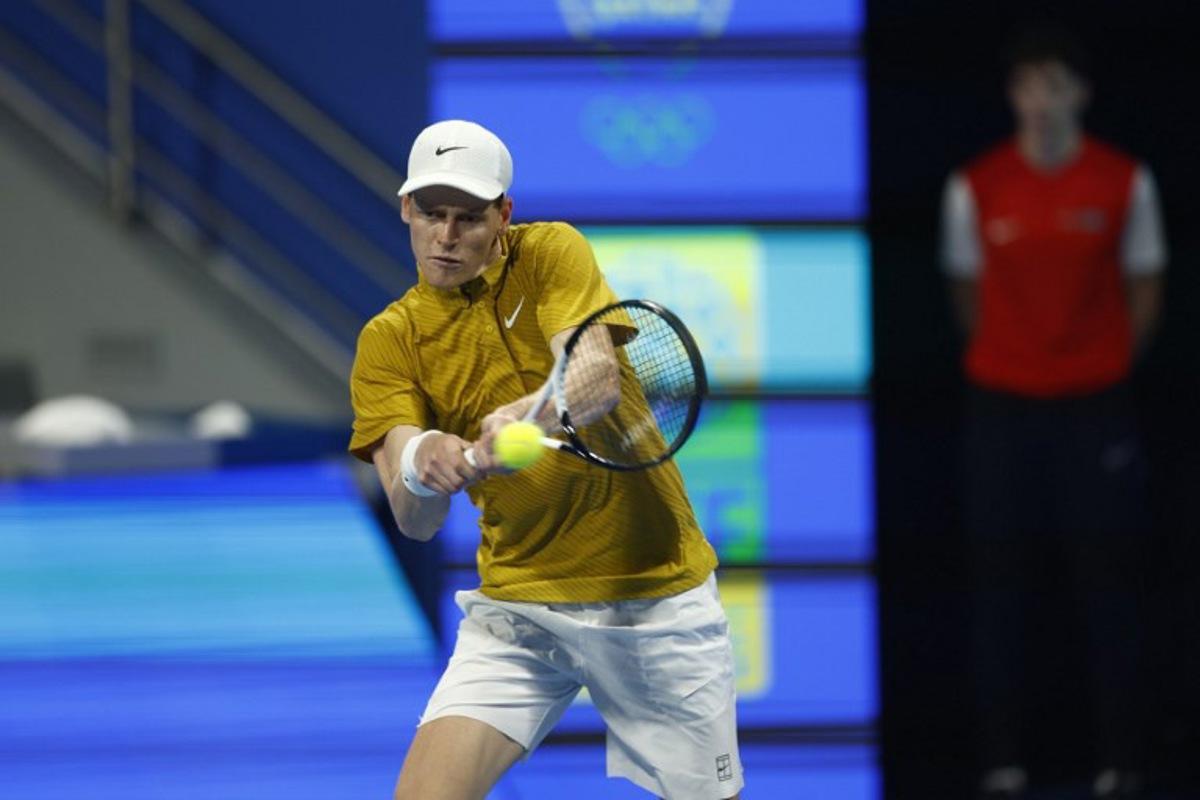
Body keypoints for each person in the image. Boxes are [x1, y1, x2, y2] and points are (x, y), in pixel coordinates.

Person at [348, 119, 742, 800]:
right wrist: (423, 460)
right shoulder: (390, 340)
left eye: (468, 218)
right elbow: (415, 519)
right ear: (405, 207)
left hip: (653, 594)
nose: (446, 236)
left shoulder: (551, 251)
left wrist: (532, 414)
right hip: (522, 608)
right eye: (432, 214)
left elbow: (594, 374)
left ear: (504, 214)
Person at [940, 29, 1167, 800]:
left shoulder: (1125, 181)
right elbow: (967, 295)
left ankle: (1122, 766)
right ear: (1014, 96)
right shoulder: (974, 186)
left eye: (1056, 85)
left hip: (1096, 410)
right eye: (1029, 86)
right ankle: (1002, 764)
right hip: (1002, 409)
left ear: (1081, 93)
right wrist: (1021, 364)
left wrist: (1095, 367)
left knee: (1110, 591)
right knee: (999, 591)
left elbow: (1145, 287)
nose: (1042, 102)